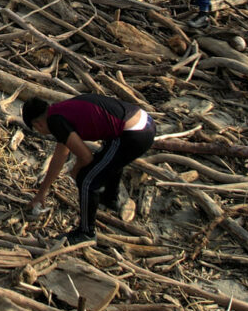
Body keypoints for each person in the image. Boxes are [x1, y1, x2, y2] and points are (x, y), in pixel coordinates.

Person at [23, 94, 155, 245]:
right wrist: (41, 194)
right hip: (145, 123)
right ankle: (110, 198)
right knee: (108, 159)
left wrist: (76, 171)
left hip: (133, 133)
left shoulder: (55, 121)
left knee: (87, 179)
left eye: (36, 129)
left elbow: (86, 157)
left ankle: (86, 232)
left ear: (38, 124)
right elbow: (59, 158)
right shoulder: (60, 111)